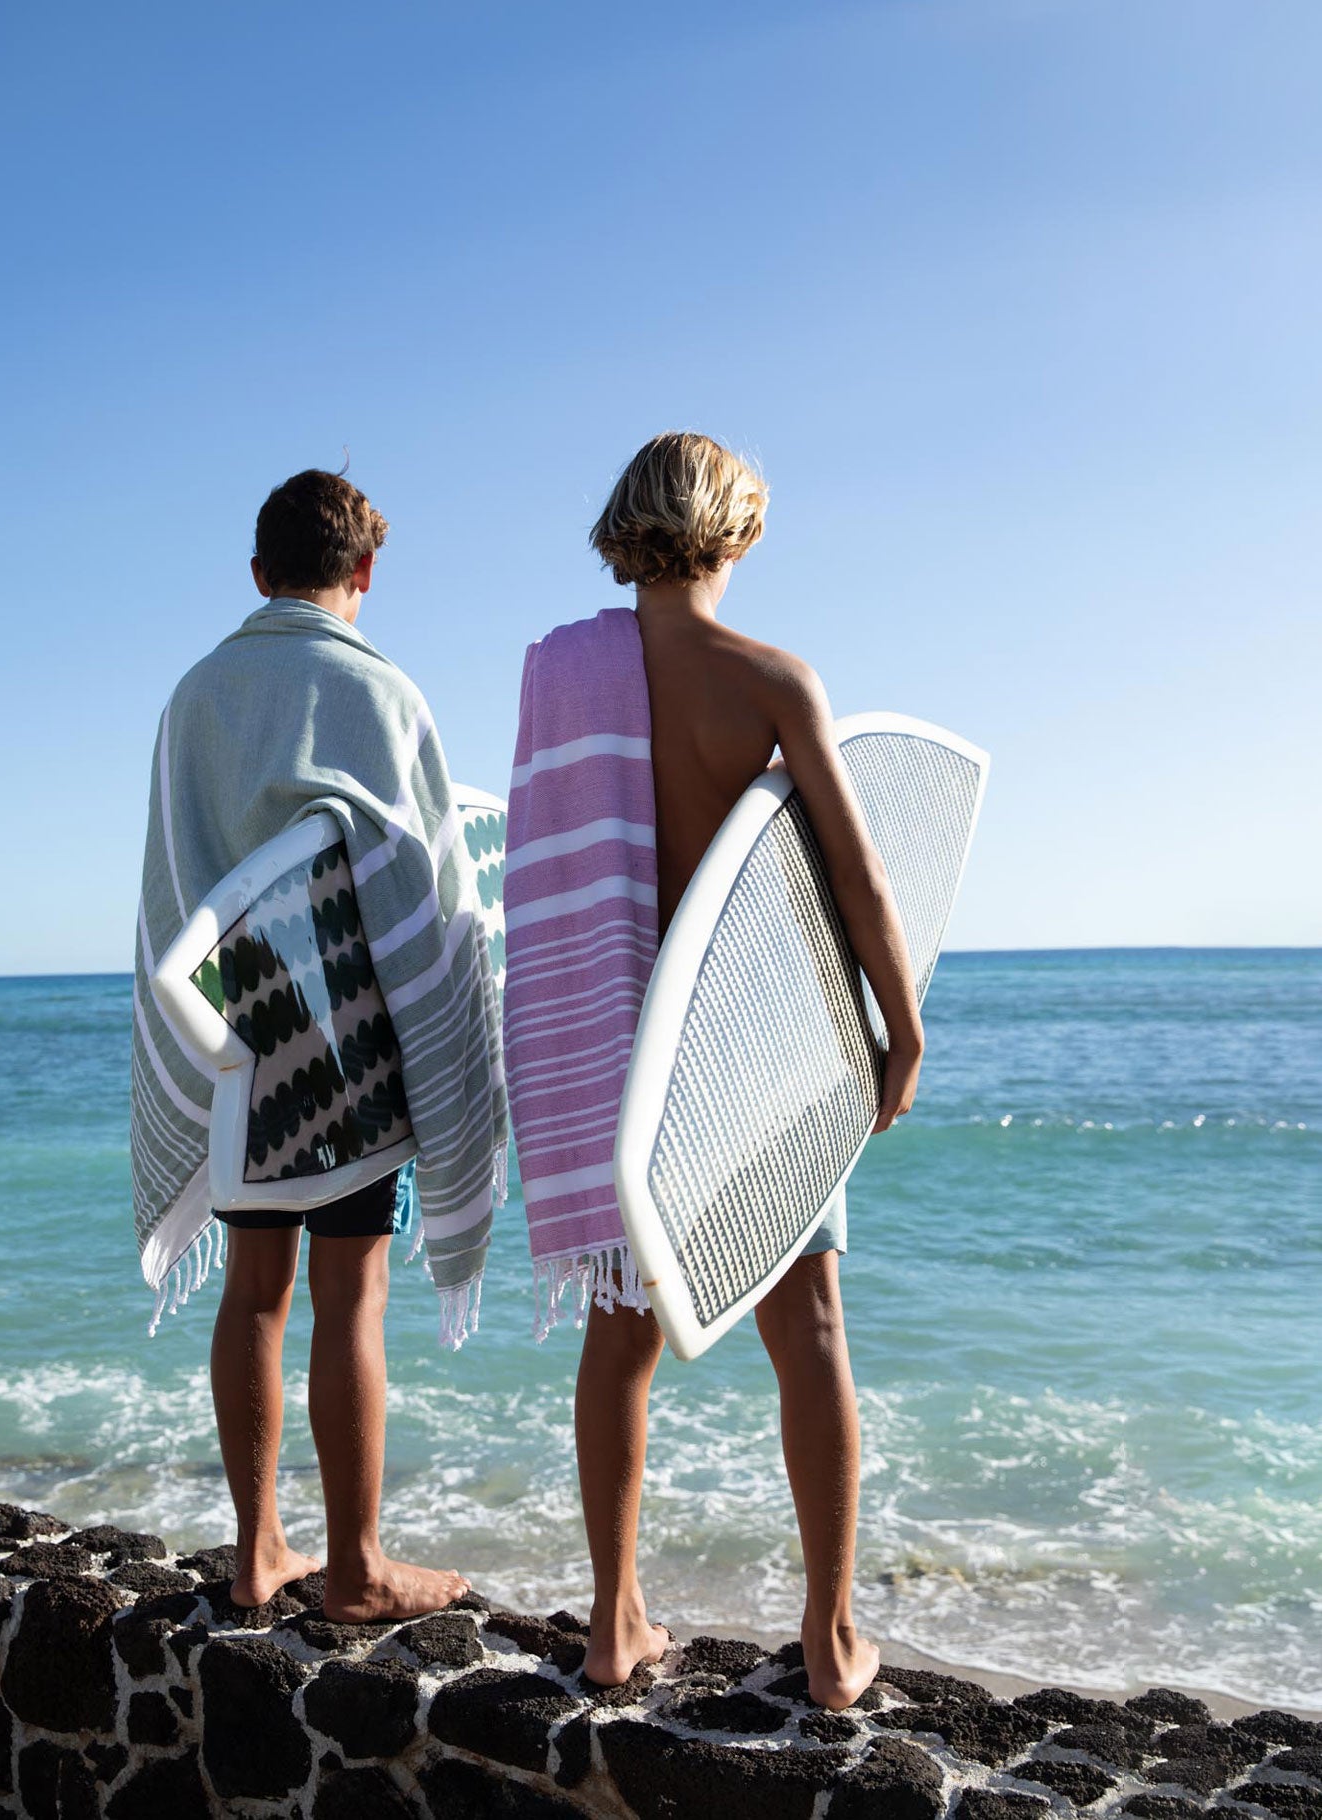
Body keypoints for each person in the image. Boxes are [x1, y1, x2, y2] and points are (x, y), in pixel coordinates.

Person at [510, 433, 923, 1705]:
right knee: (811, 1330)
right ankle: (830, 1633)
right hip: (761, 1048)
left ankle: (612, 1620)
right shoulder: (771, 681)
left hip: (631, 1054)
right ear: (732, 531)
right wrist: (900, 1027)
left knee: (621, 1331)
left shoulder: (563, 676)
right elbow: (857, 876)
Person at [132, 468, 502, 1624]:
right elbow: (428, 884)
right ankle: (354, 1566)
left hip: (245, 1032)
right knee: (352, 1294)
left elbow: (177, 875)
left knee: (253, 1289)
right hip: (352, 1037)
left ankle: (256, 1551)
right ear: (366, 572)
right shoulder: (381, 691)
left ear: (257, 574)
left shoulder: (195, 695)